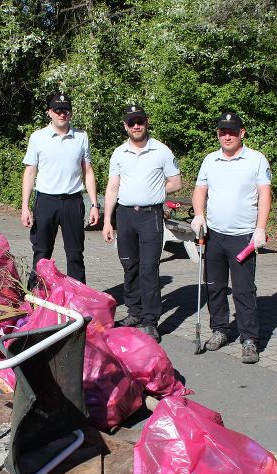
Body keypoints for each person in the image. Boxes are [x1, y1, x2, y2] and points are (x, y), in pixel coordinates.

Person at [191, 111, 272, 362]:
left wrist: (260, 228)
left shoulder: (256, 160)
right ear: (218, 134)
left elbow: (265, 195)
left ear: (242, 133)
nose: (227, 136)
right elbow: (200, 190)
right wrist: (198, 215)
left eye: (233, 132)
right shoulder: (210, 160)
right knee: (214, 287)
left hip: (243, 237)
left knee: (243, 290)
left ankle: (249, 339)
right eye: (223, 132)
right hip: (214, 234)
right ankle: (220, 330)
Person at [102, 105, 181, 342]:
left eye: (140, 121)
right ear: (125, 126)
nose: (136, 126)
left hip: (150, 217)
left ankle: (150, 320)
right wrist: (107, 221)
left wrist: (155, 191)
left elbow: (176, 182)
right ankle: (134, 313)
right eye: (131, 122)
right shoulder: (118, 153)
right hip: (125, 216)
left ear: (146, 122)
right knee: (130, 267)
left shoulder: (161, 151)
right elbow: (113, 187)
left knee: (149, 269)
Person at [21, 92, 99, 288]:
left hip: (73, 202)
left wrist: (94, 205)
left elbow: (88, 171)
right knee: (41, 253)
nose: (62, 114)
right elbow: (30, 173)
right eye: (57, 109)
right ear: (49, 112)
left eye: (66, 109)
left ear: (71, 113)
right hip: (46, 202)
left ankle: (79, 299)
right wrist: (25, 207)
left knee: (75, 255)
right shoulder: (38, 137)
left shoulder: (81, 136)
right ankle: (35, 299)